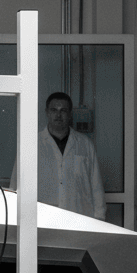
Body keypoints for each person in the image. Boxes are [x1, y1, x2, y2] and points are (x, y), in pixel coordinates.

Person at [12, 91, 105, 219]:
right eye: (54, 110)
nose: (58, 115)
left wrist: (99, 219)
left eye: (63, 110)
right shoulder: (31, 144)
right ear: (47, 112)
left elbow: (96, 187)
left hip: (80, 218)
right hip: (42, 219)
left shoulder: (85, 144)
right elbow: (16, 184)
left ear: (70, 114)